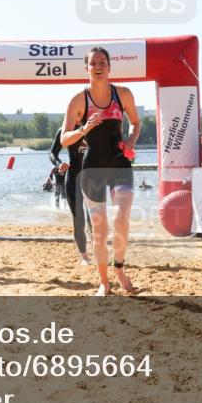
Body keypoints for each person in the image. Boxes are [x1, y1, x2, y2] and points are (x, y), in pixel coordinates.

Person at [61, 47, 141, 296]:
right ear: (86, 68)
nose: (98, 66)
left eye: (102, 62)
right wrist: (84, 129)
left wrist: (130, 141)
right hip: (92, 168)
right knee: (99, 227)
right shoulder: (78, 100)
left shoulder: (123, 94)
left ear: (109, 67)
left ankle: (119, 267)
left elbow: (136, 123)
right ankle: (104, 281)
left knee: (121, 219)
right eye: (93, 63)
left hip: (119, 164)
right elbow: (64, 139)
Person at [49, 126, 91, 264]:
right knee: (78, 218)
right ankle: (84, 256)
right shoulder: (64, 131)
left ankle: (97, 248)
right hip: (73, 177)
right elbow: (52, 153)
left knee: (95, 219)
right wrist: (59, 164)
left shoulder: (94, 126)